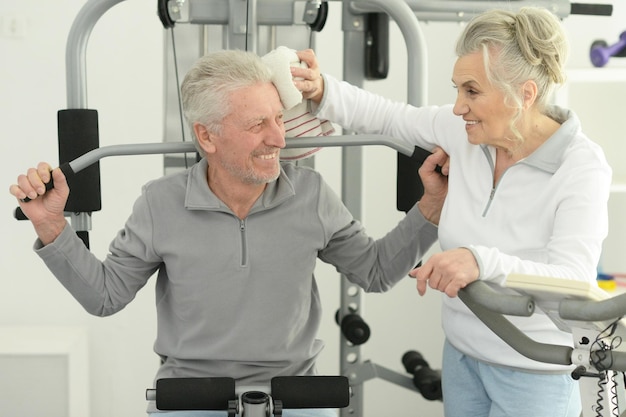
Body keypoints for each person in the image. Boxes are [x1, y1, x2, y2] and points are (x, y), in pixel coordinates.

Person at [9, 49, 448, 417]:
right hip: (191, 397)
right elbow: (105, 296)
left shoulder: (311, 193)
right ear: (207, 136)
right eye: (258, 124)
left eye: (279, 118)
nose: (278, 138)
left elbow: (375, 272)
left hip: (294, 394)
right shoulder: (160, 203)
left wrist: (431, 205)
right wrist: (51, 225)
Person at [293, 7, 612, 417]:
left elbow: (574, 280)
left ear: (525, 95)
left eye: (472, 91)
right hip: (462, 355)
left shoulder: (580, 165)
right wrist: (322, 90)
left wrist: (482, 261)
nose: (458, 106)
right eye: (457, 89)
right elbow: (391, 117)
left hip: (534, 370)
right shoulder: (466, 134)